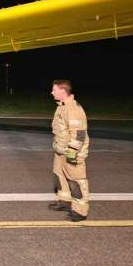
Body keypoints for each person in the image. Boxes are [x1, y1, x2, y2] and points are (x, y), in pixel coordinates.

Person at [48, 79, 90, 221]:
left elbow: (79, 134)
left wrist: (72, 153)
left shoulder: (73, 109)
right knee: (59, 175)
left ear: (62, 91)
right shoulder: (62, 106)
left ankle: (80, 211)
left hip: (72, 152)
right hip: (61, 150)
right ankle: (65, 201)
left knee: (77, 181)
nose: (52, 92)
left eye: (54, 90)